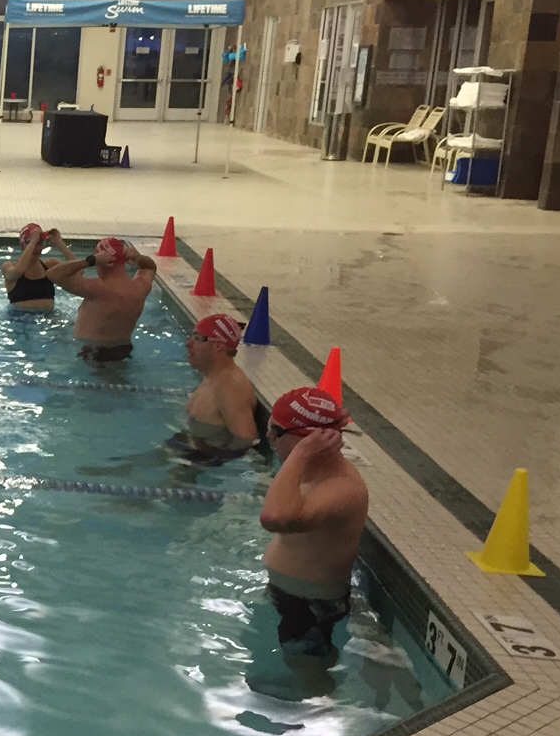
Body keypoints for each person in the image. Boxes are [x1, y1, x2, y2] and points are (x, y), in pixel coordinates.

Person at [260, 387, 368, 660]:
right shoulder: (311, 472)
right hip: (292, 596)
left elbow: (274, 518)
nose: (269, 436)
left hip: (311, 608)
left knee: (308, 677)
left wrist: (299, 454)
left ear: (308, 440)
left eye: (277, 431)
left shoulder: (341, 488)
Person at [42, 237, 157, 363]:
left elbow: (53, 274)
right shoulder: (140, 286)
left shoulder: (97, 289)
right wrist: (139, 258)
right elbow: (150, 267)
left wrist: (90, 261)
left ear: (102, 260)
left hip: (93, 353)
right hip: (124, 349)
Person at [169, 314, 261, 462]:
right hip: (190, 444)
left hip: (200, 456)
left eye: (197, 338)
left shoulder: (230, 387)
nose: (188, 343)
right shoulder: (213, 376)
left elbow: (246, 440)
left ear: (218, 346)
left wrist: (202, 463)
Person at [1, 224, 75, 311]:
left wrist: (59, 242)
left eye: (39, 243)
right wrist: (33, 242)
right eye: (30, 242)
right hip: (18, 318)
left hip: (50, 317)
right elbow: (18, 272)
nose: (36, 248)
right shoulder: (8, 267)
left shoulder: (50, 266)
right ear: (22, 245)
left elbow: (77, 270)